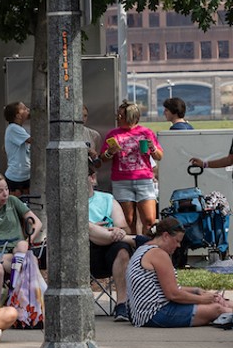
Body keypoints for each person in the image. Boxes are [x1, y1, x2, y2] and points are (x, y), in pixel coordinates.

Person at [127, 216, 232, 328]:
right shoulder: (158, 254)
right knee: (217, 308)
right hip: (154, 314)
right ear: (166, 236)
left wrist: (196, 291)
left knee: (216, 301)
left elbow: (166, 288)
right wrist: (203, 299)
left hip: (139, 314)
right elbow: (173, 294)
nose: (179, 245)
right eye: (177, 241)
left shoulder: (144, 249)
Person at [101, 100, 164, 235]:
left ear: (131, 117)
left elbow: (159, 156)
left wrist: (152, 148)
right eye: (117, 115)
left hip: (144, 180)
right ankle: (133, 248)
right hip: (121, 182)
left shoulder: (146, 132)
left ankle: (148, 249)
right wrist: (110, 152)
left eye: (121, 116)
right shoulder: (113, 134)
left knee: (149, 220)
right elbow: (103, 159)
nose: (118, 118)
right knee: (128, 221)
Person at [87, 164, 136, 322]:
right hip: (82, 253)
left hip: (108, 252)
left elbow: (122, 226)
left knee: (122, 248)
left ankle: (122, 303)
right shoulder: (68, 203)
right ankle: (137, 241)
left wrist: (115, 230)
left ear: (92, 178)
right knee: (84, 227)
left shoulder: (107, 199)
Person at [2, 101, 31, 194]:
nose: (28, 110)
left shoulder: (19, 129)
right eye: (24, 109)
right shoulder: (13, 128)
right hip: (16, 176)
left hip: (24, 175)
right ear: (18, 115)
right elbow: (33, 141)